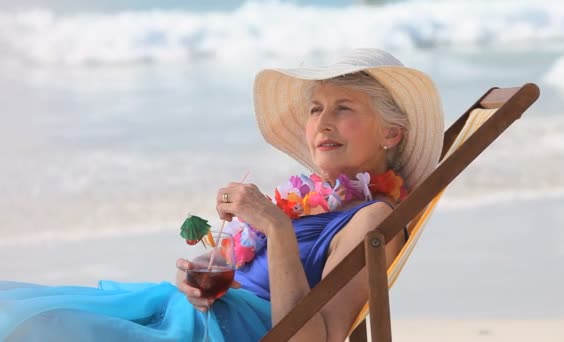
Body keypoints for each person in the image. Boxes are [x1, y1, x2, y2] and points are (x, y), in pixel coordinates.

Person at [0, 48, 443, 341]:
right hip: (194, 314)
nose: (322, 122)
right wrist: (200, 279)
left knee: (43, 326)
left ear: (391, 133)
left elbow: (316, 337)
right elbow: (249, 272)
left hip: (227, 332)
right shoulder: (311, 200)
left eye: (342, 108)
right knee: (15, 306)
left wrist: (274, 225)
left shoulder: (371, 220)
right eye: (315, 109)